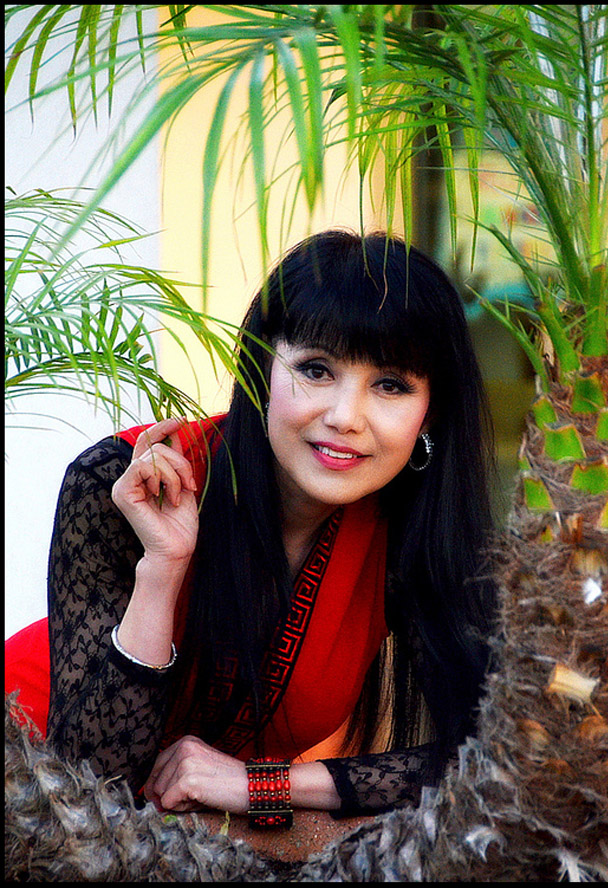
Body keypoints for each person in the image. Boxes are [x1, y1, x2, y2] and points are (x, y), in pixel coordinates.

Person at [29, 230, 499, 823]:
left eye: (391, 385)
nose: (345, 417)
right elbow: (87, 787)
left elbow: (502, 750)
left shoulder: (414, 526)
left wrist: (266, 784)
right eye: (316, 370)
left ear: (430, 412)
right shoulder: (126, 483)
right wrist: (164, 568)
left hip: (211, 831)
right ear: (260, 371)